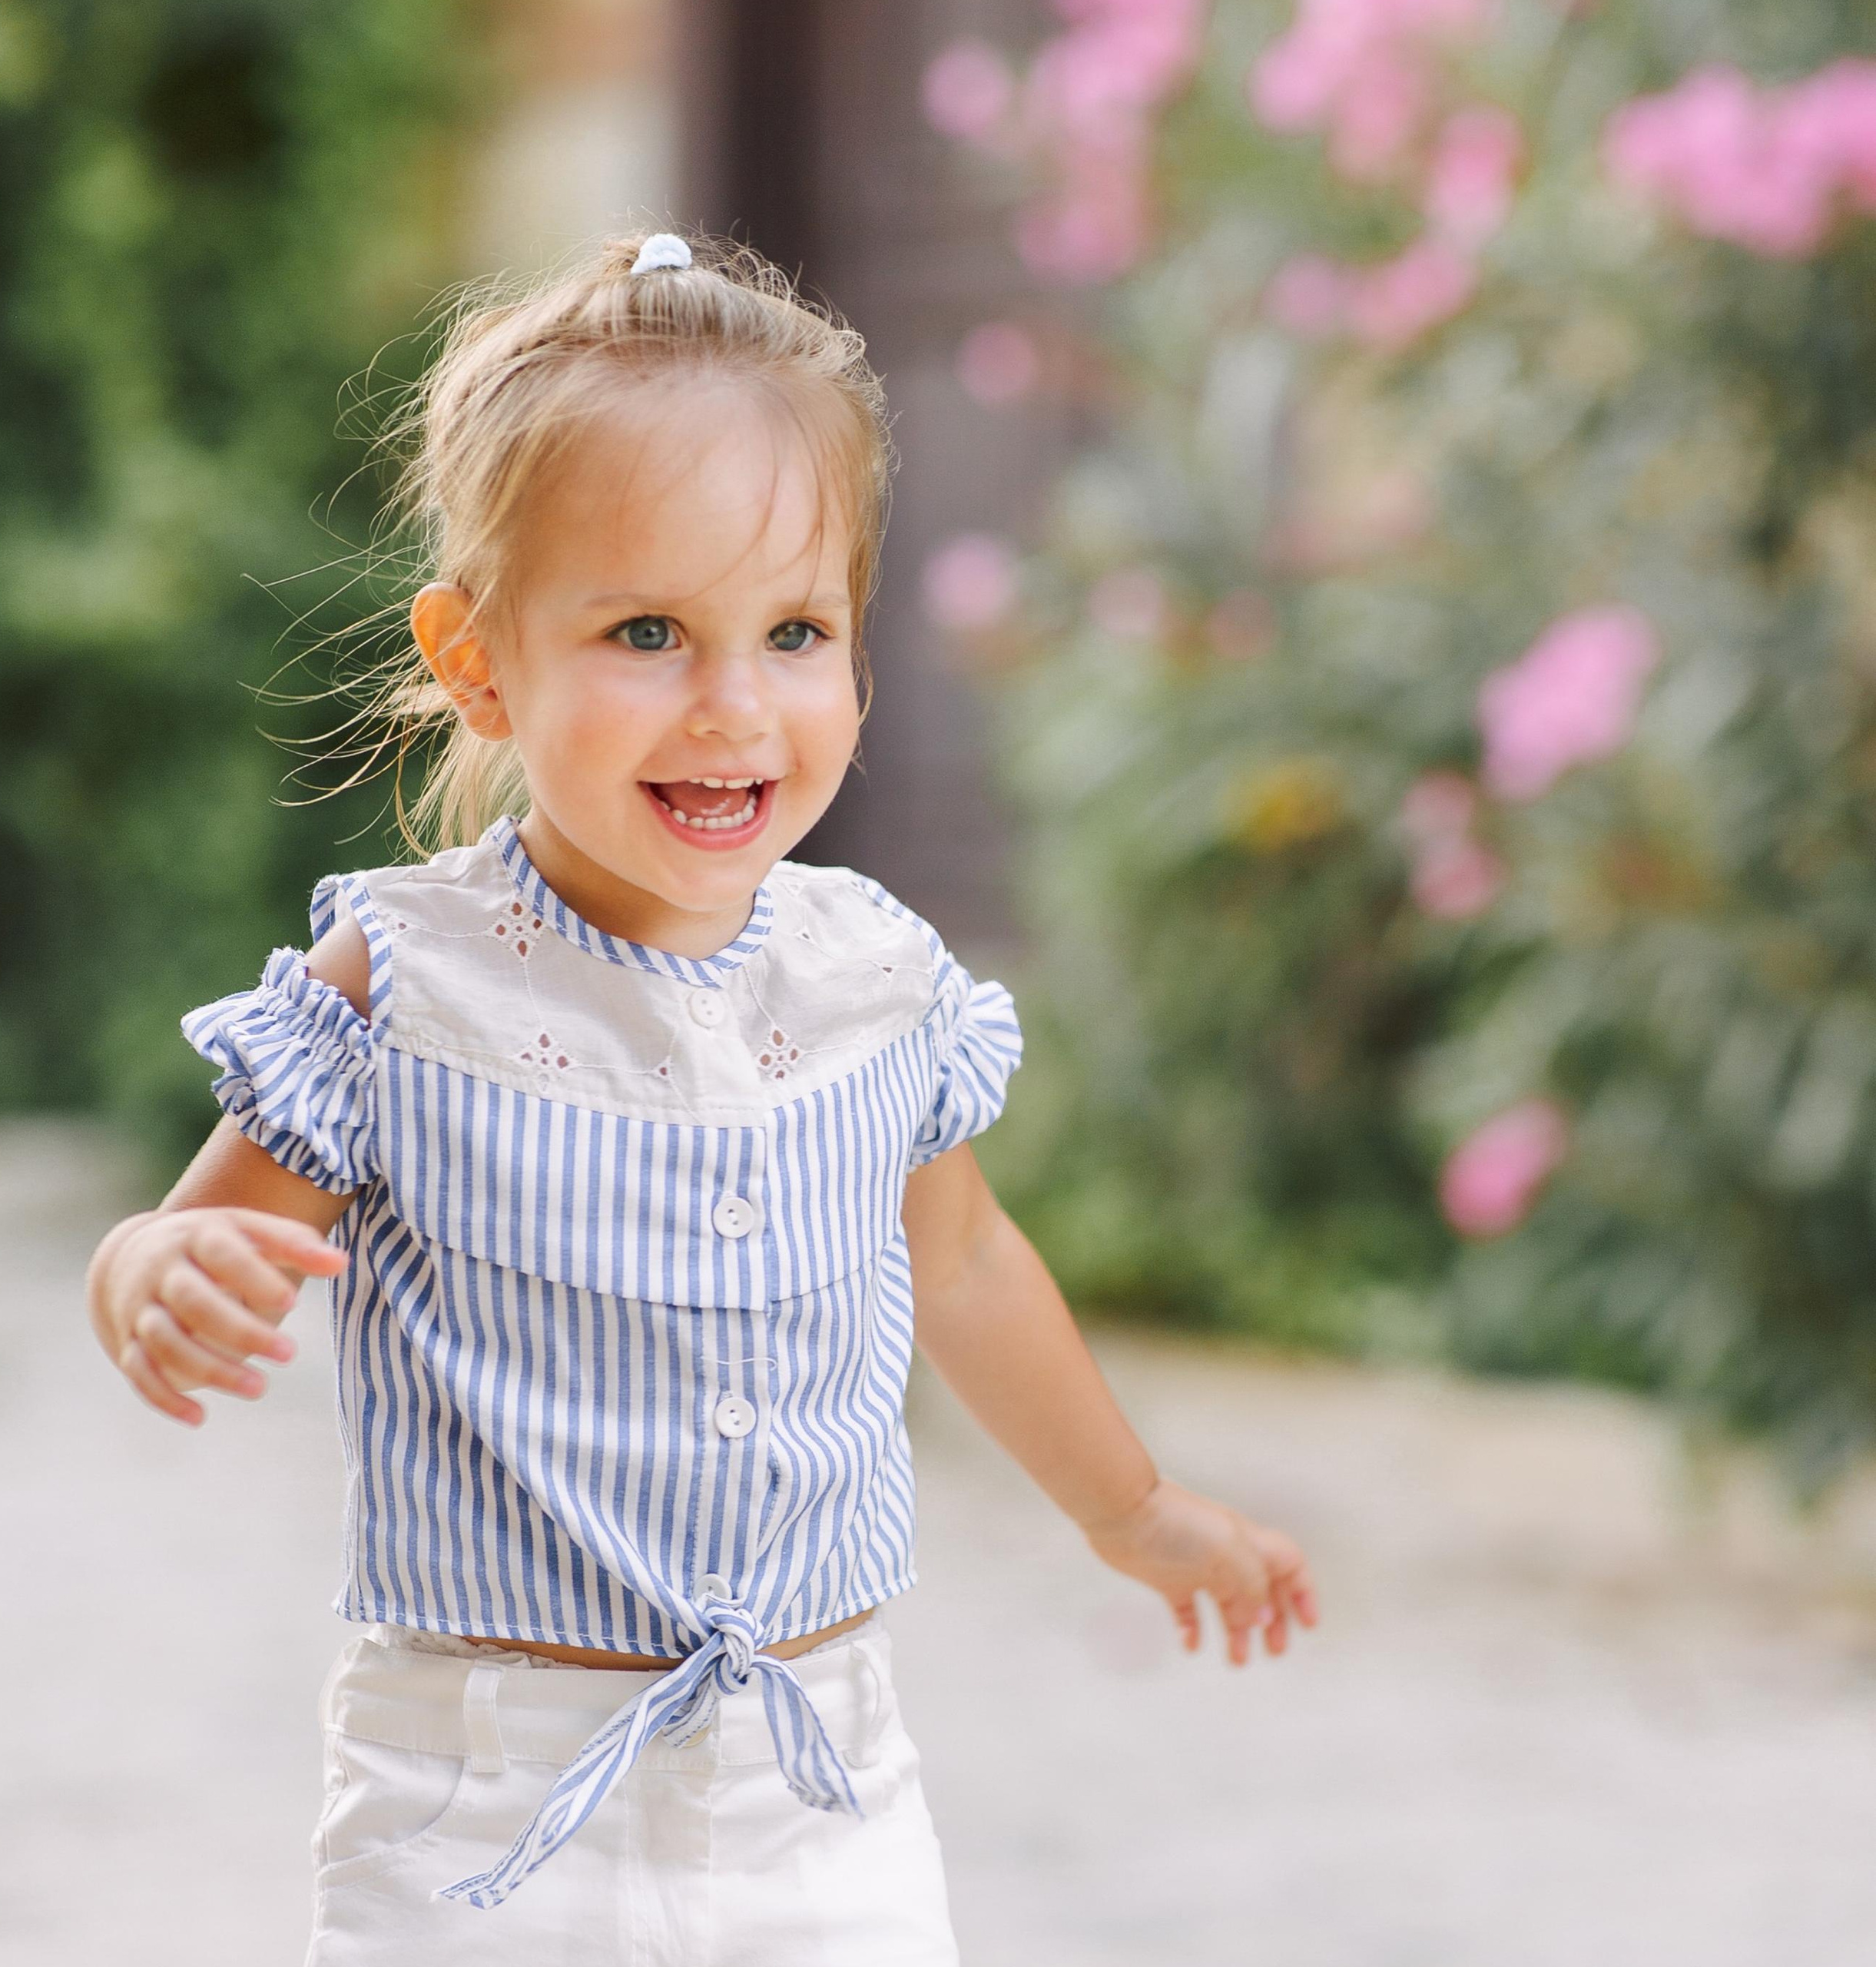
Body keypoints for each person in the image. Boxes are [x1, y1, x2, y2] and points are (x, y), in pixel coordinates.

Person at [82, 230, 1320, 1965]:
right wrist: (152, 1273)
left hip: (818, 1783)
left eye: (794, 631)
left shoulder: (872, 980)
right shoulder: (410, 980)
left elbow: (964, 1263)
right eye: (649, 631)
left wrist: (1132, 1506)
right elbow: (183, 1228)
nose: (734, 707)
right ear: (479, 658)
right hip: (486, 1799)